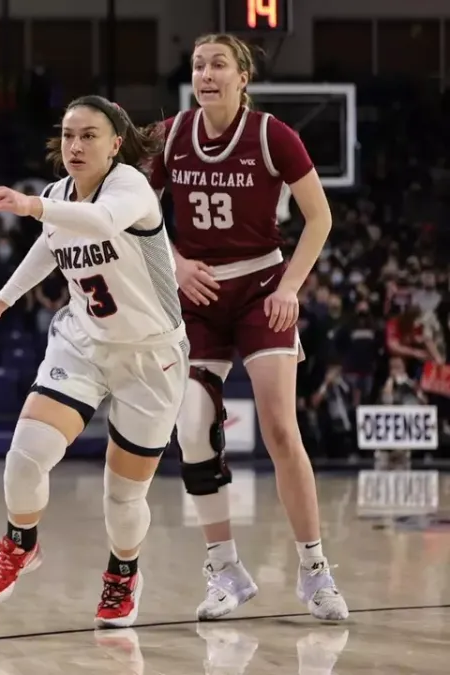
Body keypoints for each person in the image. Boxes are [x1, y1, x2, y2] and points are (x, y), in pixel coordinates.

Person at [0, 95, 186, 628]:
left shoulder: (130, 187)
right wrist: (3, 299)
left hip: (151, 357)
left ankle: (123, 573)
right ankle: (21, 544)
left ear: (115, 144)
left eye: (89, 135)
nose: (76, 145)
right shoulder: (59, 194)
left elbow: (102, 222)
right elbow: (48, 243)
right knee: (27, 452)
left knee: (123, 497)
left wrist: (30, 204)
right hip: (83, 342)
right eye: (67, 135)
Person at [149, 33, 348, 621]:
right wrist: (178, 264)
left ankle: (315, 572)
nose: (206, 74)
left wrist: (290, 287)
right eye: (197, 65)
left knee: (281, 428)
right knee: (192, 429)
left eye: (218, 65)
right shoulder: (173, 135)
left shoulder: (271, 135)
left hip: (262, 286)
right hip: (201, 292)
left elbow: (320, 216)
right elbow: (134, 213)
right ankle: (226, 570)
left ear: (242, 77)